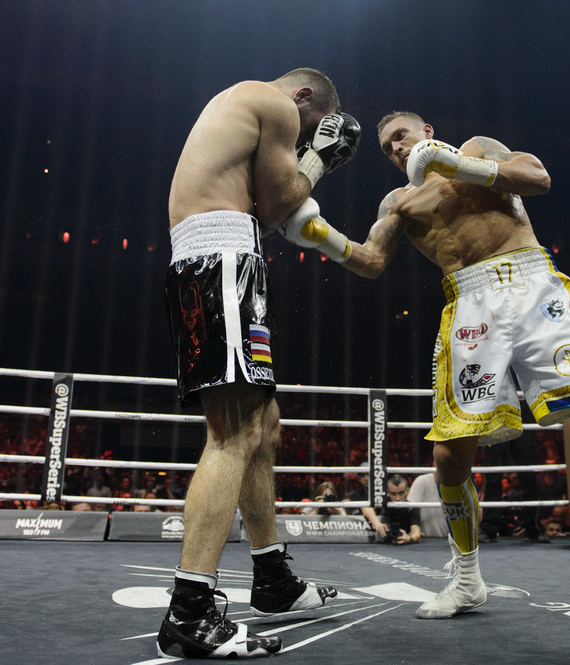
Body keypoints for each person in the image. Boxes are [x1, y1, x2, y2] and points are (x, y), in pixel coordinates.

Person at [280, 111, 570, 634]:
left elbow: (538, 178)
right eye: (386, 147)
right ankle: (467, 578)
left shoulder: (477, 148)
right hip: (470, 309)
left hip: (534, 287)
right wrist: (319, 234)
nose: (395, 148)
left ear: (427, 132)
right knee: (448, 458)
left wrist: (458, 165)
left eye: (401, 137)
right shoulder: (398, 203)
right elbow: (371, 260)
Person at [158, 68, 360, 660]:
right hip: (220, 259)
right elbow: (278, 202)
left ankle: (272, 578)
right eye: (310, 129)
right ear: (305, 99)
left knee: (263, 425)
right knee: (234, 433)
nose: (303, 140)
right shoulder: (274, 103)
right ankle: (188, 612)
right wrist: (319, 160)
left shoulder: (240, 103)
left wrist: (308, 162)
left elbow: (266, 214)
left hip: (225, 258)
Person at [361, 474, 422, 545]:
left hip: (404, 547)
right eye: (393, 494)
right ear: (388, 492)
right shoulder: (382, 503)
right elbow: (366, 507)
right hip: (380, 545)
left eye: (401, 493)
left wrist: (409, 538)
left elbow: (416, 533)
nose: (397, 498)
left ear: (407, 491)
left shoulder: (411, 508)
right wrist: (377, 524)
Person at [406, 471, 450, 539]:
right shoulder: (422, 481)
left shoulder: (459, 484)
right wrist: (415, 532)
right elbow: (411, 510)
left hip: (450, 539)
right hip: (424, 539)